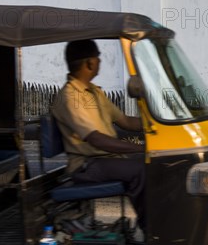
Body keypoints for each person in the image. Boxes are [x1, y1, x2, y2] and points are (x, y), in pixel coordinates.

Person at [51, 39, 146, 231]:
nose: (100, 62)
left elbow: (126, 122)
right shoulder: (71, 97)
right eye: (98, 58)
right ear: (90, 63)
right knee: (142, 170)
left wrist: (157, 124)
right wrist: (141, 148)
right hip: (88, 164)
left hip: (107, 159)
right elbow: (97, 140)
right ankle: (150, 231)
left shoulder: (95, 92)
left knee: (159, 162)